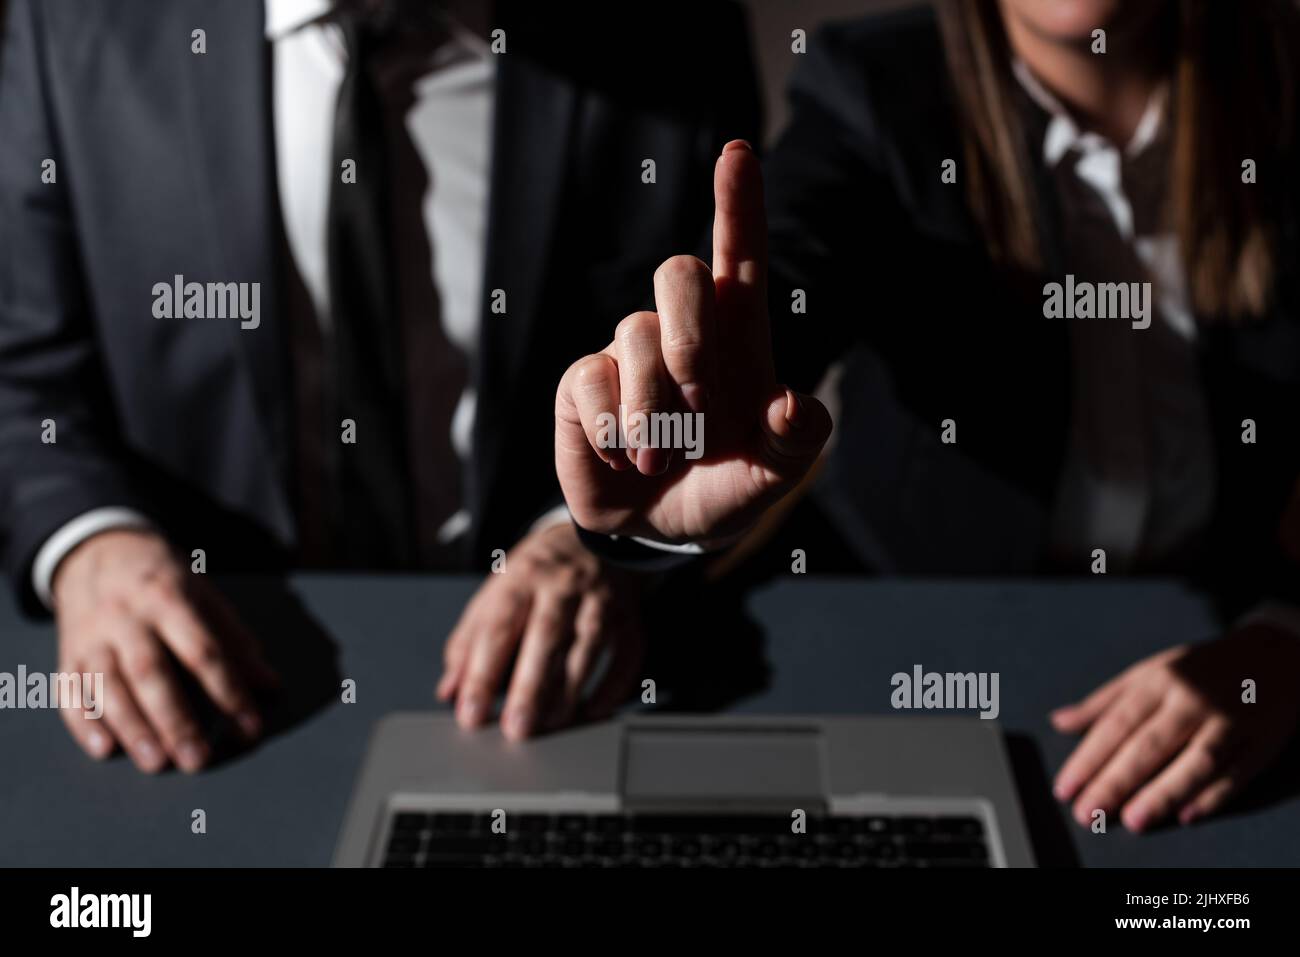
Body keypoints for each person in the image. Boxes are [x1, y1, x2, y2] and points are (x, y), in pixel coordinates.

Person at [555, 0, 1300, 832]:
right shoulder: (876, 86)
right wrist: (677, 428)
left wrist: (1287, 641)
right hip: (912, 633)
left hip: (1221, 640)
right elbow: (787, 287)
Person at [0, 0, 759, 770]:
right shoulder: (73, 23)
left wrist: (595, 537)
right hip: (217, 689)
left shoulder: (672, 30)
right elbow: (23, 375)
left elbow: (713, 356)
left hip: (560, 697)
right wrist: (92, 544)